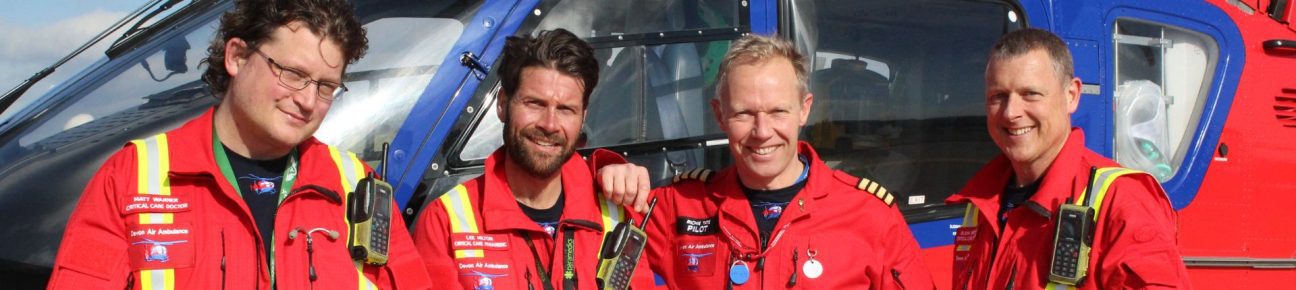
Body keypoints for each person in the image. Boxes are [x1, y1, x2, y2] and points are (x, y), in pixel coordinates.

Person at [46, 0, 432, 289]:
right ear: (237, 56)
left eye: (326, 86)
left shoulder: (357, 186)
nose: (309, 100)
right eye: (293, 74)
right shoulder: (132, 177)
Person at [595, 34, 934, 289]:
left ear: (804, 109)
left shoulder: (871, 216)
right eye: (744, 113)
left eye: (777, 112)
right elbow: (568, 215)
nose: (762, 131)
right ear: (719, 114)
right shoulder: (678, 208)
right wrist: (608, 172)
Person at [410, 29, 656, 290]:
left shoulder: (619, 212)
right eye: (535, 103)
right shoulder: (445, 221)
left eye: (565, 109)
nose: (550, 125)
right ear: (503, 104)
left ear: (583, 117)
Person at [947, 28, 1191, 289]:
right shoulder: (982, 205)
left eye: (1030, 94)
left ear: (1072, 95)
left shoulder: (1122, 201)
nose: (1011, 112)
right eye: (998, 96)